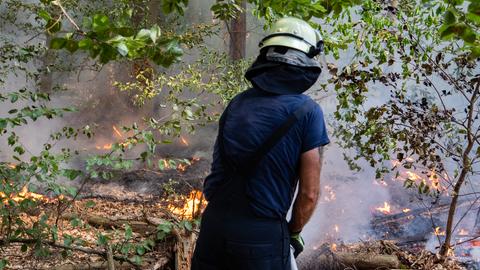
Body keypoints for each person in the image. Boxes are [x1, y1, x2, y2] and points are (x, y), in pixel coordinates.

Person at [192, 17, 330, 270]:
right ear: (305, 62)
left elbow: (219, 167)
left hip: (213, 228)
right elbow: (309, 194)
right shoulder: (308, 112)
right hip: (261, 238)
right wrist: (294, 232)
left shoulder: (237, 103)